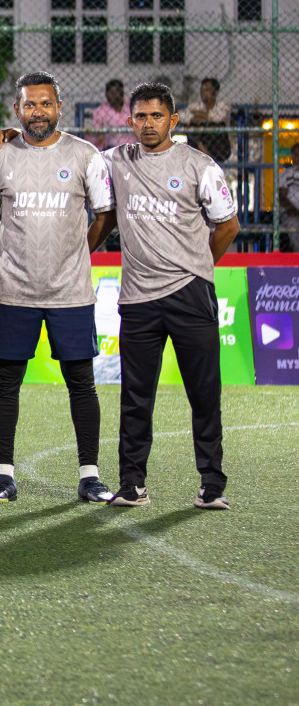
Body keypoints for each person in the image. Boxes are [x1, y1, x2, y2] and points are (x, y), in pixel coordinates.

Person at [0, 70, 116, 506]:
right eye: (29, 105)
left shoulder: (85, 155)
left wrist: (78, 251)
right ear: (17, 110)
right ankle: (3, 475)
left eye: (45, 104)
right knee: (5, 383)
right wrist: (9, 249)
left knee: (82, 382)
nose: (37, 112)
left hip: (70, 292)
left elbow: (105, 214)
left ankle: (90, 475)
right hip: (14, 290)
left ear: (59, 106)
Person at [102, 83, 240, 510]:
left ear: (173, 121)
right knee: (136, 395)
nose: (147, 124)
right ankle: (132, 484)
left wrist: (197, 266)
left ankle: (211, 483)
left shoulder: (200, 165)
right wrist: (11, 138)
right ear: (131, 121)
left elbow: (228, 226)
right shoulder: (118, 160)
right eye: (140, 116)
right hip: (139, 298)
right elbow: (65, 153)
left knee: (204, 391)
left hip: (190, 294)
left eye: (156, 116)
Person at [185, 77, 232, 163]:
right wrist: (194, 118)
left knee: (216, 125)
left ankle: (205, 152)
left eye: (207, 90)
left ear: (216, 92)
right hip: (199, 145)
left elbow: (218, 118)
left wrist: (198, 115)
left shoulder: (222, 105)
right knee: (190, 125)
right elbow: (184, 116)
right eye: (202, 90)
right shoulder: (196, 105)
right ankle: (201, 147)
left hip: (218, 147)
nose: (203, 93)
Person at [87, 79, 134, 151]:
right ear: (106, 94)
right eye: (111, 92)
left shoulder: (131, 107)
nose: (114, 95)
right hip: (112, 148)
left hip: (133, 147)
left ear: (122, 93)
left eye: (117, 92)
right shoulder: (101, 110)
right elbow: (95, 135)